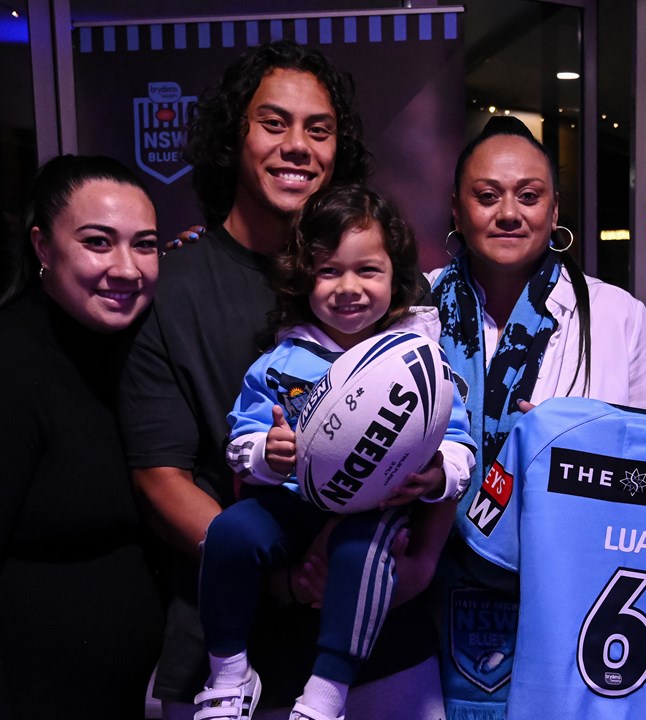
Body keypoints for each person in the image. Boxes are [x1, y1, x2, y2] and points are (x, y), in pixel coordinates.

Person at [119, 40, 449, 720]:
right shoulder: (173, 288)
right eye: (273, 123)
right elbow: (160, 478)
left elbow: (444, 427)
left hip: (382, 652)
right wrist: (278, 579)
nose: (297, 145)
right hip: (228, 660)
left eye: (318, 129)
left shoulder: (392, 289)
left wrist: (420, 562)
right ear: (232, 135)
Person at [0, 155, 165, 719]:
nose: (127, 268)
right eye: (98, 242)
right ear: (42, 247)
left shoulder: (131, 358)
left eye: (144, 245)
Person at [429, 116, 646, 720]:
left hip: (577, 599)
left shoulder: (617, 317)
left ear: (554, 209)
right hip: (421, 593)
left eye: (529, 195)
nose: (508, 213)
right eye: (486, 196)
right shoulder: (409, 308)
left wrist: (580, 445)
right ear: (457, 209)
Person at [196, 185, 475, 720]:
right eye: (329, 271)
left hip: (376, 508)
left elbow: (460, 447)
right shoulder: (282, 360)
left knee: (360, 557)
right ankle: (228, 674)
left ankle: (326, 696)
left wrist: (438, 475)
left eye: (368, 270)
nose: (349, 287)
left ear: (395, 276)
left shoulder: (422, 361)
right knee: (227, 534)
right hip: (292, 503)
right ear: (305, 278)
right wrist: (265, 453)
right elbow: (239, 441)